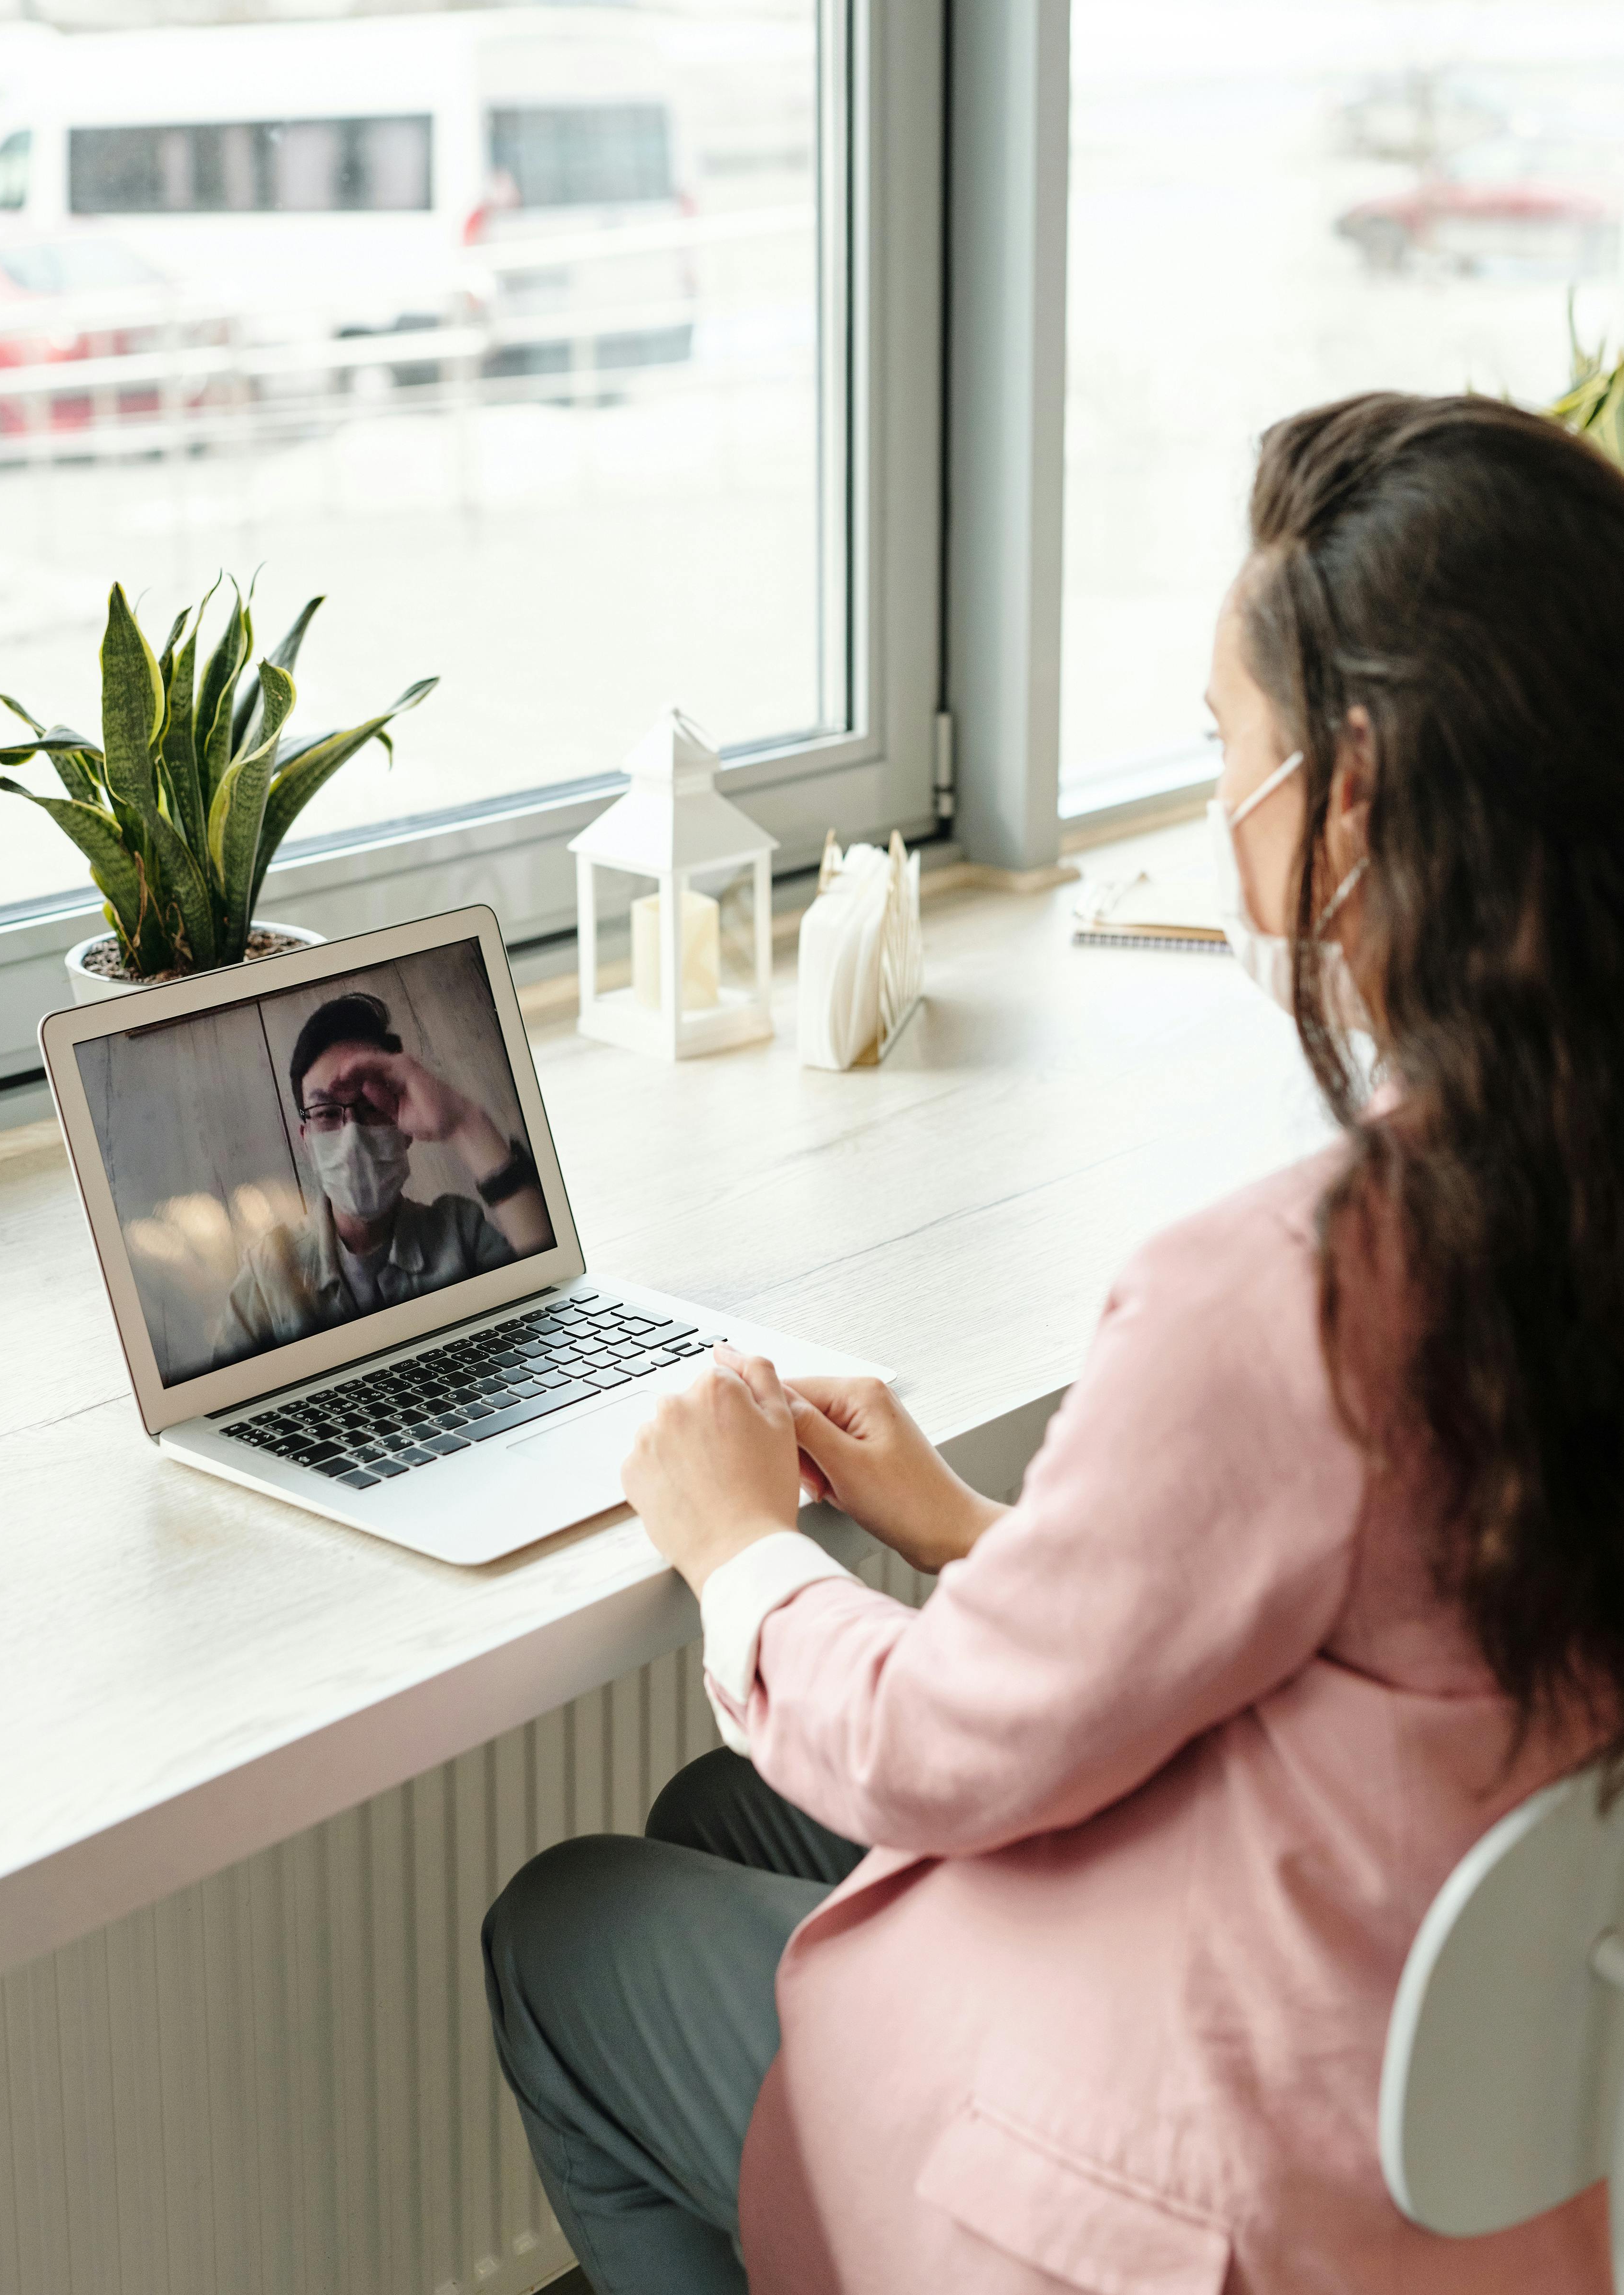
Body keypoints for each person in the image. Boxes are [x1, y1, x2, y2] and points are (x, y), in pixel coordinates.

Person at [481, 394, 1624, 2294]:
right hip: (1472, 2159)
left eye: (1222, 751)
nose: (1215, 804)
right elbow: (1351, 1636)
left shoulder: (1302, 1291)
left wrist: (732, 1541)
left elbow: (935, 1748)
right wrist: (952, 1524)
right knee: (720, 1809)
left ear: (1345, 801)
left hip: (1232, 2202)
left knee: (570, 1925)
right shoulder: (1553, 1211)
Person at [216, 989, 551, 1362]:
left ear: (404, 1125)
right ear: (307, 1139)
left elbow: (552, 1301)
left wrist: (465, 1123)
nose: (353, 1135)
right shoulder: (268, 1275)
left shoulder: (460, 1232)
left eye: (372, 1107)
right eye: (327, 1113)